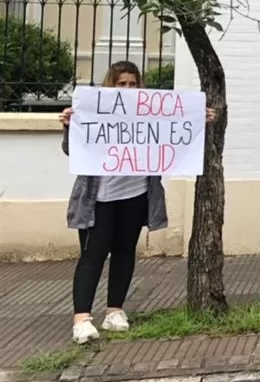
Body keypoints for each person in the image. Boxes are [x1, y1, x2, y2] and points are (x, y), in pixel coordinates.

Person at [59, 61, 216, 344]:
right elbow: (73, 149)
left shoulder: (147, 115)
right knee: (93, 254)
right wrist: (71, 125)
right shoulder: (96, 111)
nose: (128, 89)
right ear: (111, 86)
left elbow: (175, 129)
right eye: (122, 84)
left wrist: (196, 118)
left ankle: (115, 311)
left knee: (124, 252)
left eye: (133, 84)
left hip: (135, 195)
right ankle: (81, 318)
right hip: (100, 199)